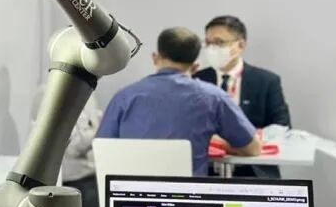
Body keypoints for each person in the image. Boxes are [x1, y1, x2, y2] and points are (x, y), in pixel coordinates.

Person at [97, 26, 261, 175]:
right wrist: (216, 141)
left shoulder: (124, 97)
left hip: (131, 194)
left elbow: (102, 149)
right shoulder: (214, 98)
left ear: (155, 58)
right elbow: (253, 148)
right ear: (196, 66)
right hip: (189, 195)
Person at [195, 15, 291, 128]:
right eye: (208, 43)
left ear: (241, 45)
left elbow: (282, 127)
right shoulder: (197, 80)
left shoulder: (266, 82)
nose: (212, 49)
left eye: (219, 42)